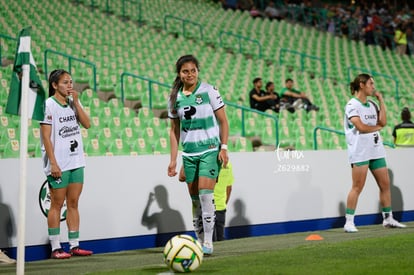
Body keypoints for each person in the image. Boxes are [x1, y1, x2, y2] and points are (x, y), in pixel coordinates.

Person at [167, 55, 229, 255]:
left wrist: (224, 147)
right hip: (190, 153)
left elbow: (223, 121)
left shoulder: (209, 90)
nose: (190, 74)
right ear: (179, 74)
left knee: (205, 195)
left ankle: (209, 242)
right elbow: (174, 130)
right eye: (185, 71)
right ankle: (200, 240)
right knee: (194, 200)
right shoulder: (174, 97)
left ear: (197, 71)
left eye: (193, 70)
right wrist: (174, 160)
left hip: (210, 150)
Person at [343, 73, 406, 233]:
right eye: (371, 83)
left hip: (376, 150)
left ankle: (388, 219)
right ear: (362, 85)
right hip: (360, 152)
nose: (373, 86)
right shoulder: (352, 105)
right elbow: (362, 127)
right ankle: (349, 222)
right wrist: (377, 128)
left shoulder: (371, 104)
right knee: (357, 187)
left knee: (385, 185)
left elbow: (383, 121)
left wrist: (381, 100)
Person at [40, 69, 93, 259]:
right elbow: (46, 137)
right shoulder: (48, 105)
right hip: (59, 163)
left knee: (73, 203)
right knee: (56, 204)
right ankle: (55, 248)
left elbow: (87, 124)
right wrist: (53, 163)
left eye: (71, 82)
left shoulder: (73, 104)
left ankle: (74, 245)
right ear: (55, 85)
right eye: (65, 82)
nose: (70, 85)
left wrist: (77, 102)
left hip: (77, 160)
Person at [179, 161, 234, 242]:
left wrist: (187, 160)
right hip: (220, 207)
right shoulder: (227, 163)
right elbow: (229, 187)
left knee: (206, 241)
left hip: (204, 207)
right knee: (220, 241)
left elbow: (182, 177)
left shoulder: (201, 161)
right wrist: (223, 203)